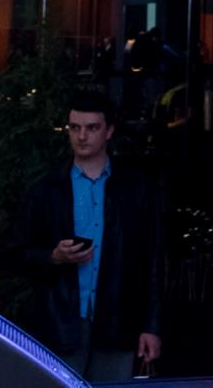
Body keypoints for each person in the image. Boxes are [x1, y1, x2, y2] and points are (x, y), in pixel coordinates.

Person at [13, 92, 162, 380]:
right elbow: (17, 253)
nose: (81, 136)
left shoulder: (136, 188)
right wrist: (53, 256)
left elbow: (152, 260)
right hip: (60, 320)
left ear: (109, 131)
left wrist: (151, 326)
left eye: (92, 128)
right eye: (74, 127)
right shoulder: (45, 189)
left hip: (117, 317)